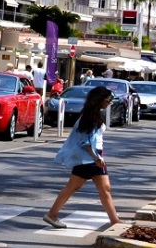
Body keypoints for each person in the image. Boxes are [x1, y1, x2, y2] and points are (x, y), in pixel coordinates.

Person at [44, 86, 120, 229]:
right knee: (73, 187)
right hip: (88, 159)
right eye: (109, 99)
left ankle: (115, 220)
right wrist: (96, 157)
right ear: (100, 99)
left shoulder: (94, 114)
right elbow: (84, 141)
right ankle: (52, 214)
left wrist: (97, 157)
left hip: (93, 158)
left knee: (104, 189)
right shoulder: (89, 116)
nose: (110, 102)